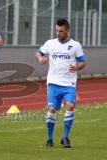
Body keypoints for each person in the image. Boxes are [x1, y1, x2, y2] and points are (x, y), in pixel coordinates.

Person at [35, 19, 87, 148]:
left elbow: (83, 62)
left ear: (67, 31)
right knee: (52, 110)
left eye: (61, 31)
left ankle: (65, 137)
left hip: (69, 83)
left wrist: (76, 67)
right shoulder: (50, 43)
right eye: (56, 30)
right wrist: (40, 58)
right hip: (53, 83)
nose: (58, 33)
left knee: (69, 106)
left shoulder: (75, 45)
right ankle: (49, 139)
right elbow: (38, 52)